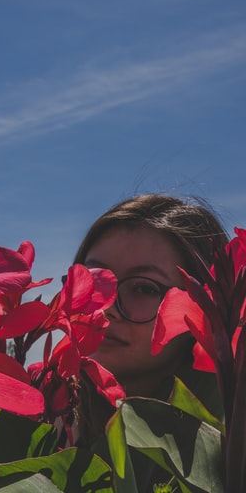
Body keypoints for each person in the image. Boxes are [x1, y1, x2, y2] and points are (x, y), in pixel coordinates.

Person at [72, 193, 228, 491]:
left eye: (143, 288)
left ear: (203, 309)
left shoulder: (229, 454)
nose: (104, 309)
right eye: (93, 281)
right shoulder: (41, 428)